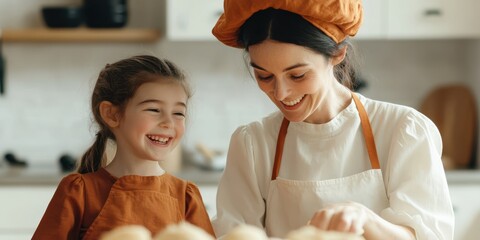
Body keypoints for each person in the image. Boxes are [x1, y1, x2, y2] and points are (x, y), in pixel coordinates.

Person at [210, 1, 454, 239]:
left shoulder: (403, 130)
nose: (281, 93)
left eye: (297, 75)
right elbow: (235, 235)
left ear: (338, 53)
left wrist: (365, 218)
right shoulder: (252, 144)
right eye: (264, 76)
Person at [32, 55, 215, 240]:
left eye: (178, 113)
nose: (168, 122)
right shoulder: (79, 192)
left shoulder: (186, 197)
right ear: (112, 114)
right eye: (153, 110)